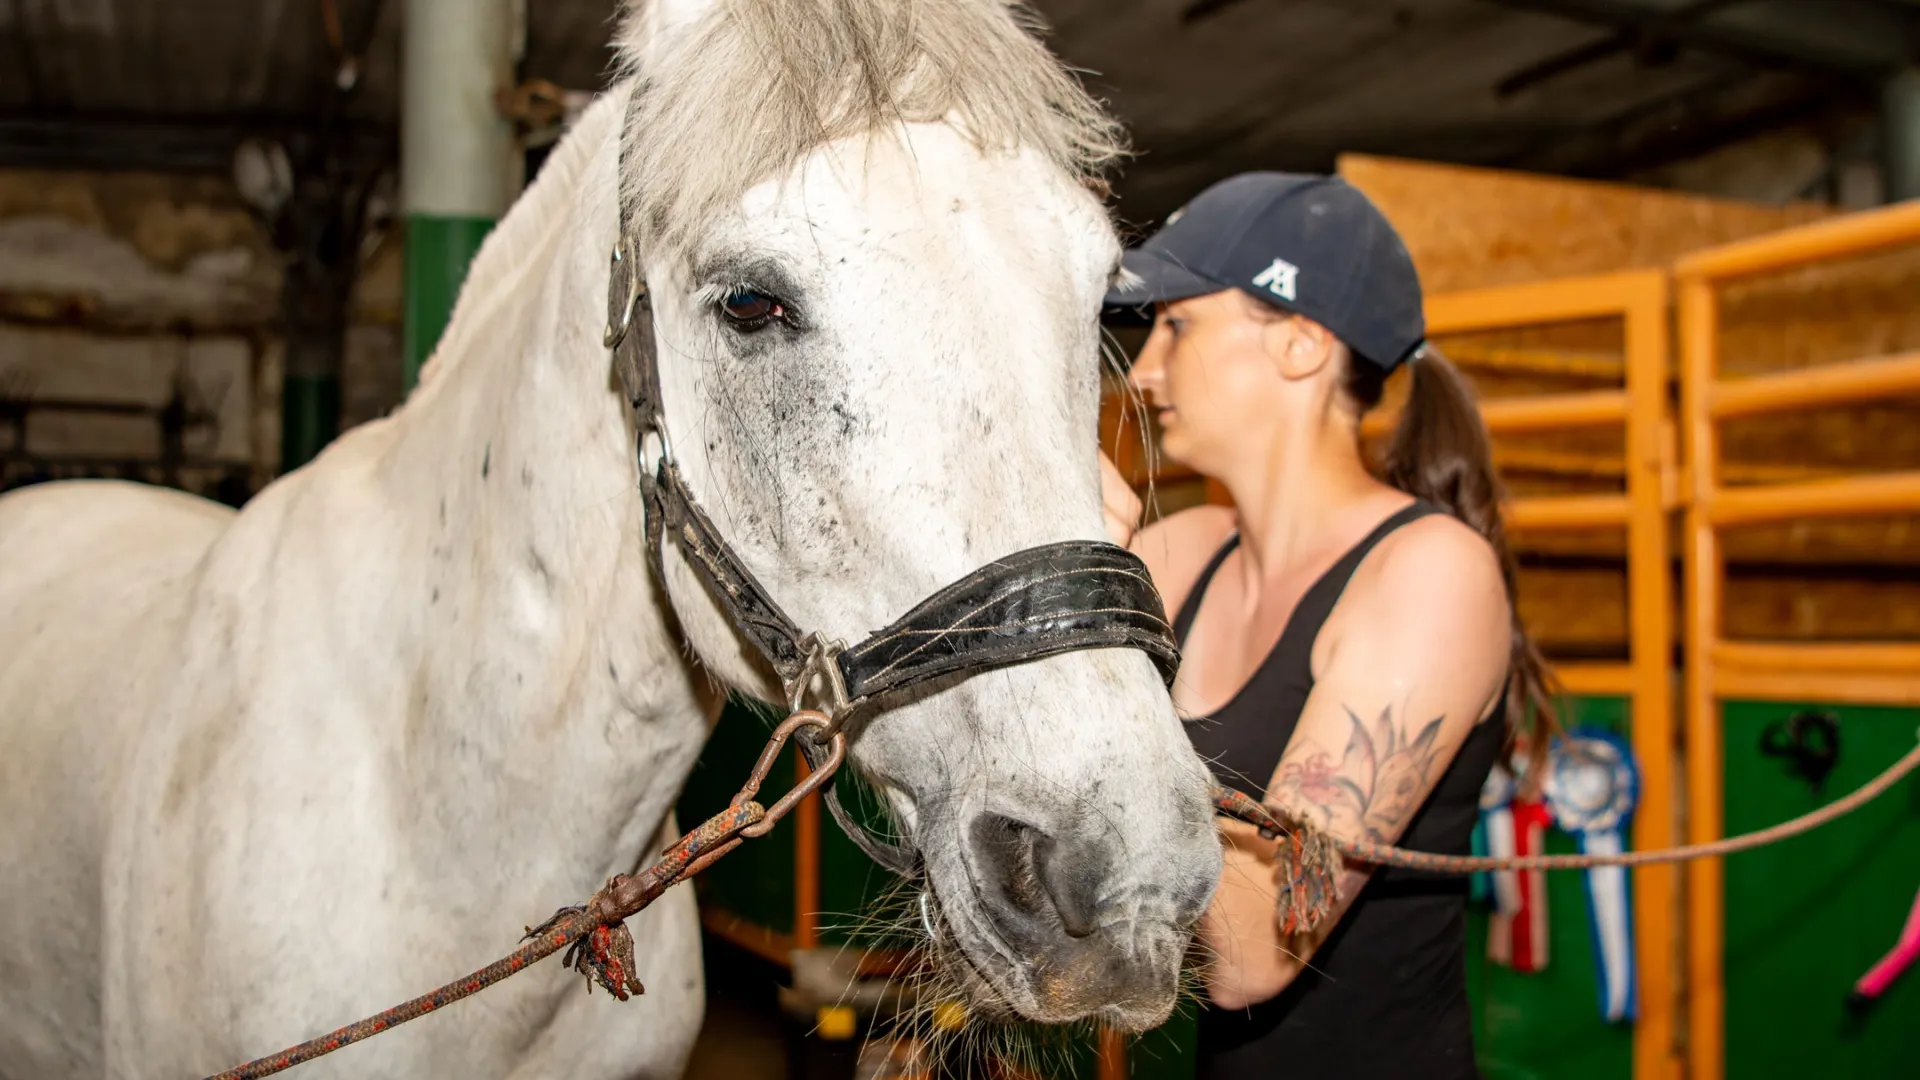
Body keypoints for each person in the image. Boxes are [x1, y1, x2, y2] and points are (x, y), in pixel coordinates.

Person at [1096, 173, 1556, 1079]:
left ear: (1302, 344)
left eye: (1179, 326)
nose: (1144, 371)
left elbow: (1252, 953)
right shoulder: (1178, 553)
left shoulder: (1429, 575)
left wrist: (1098, 651)